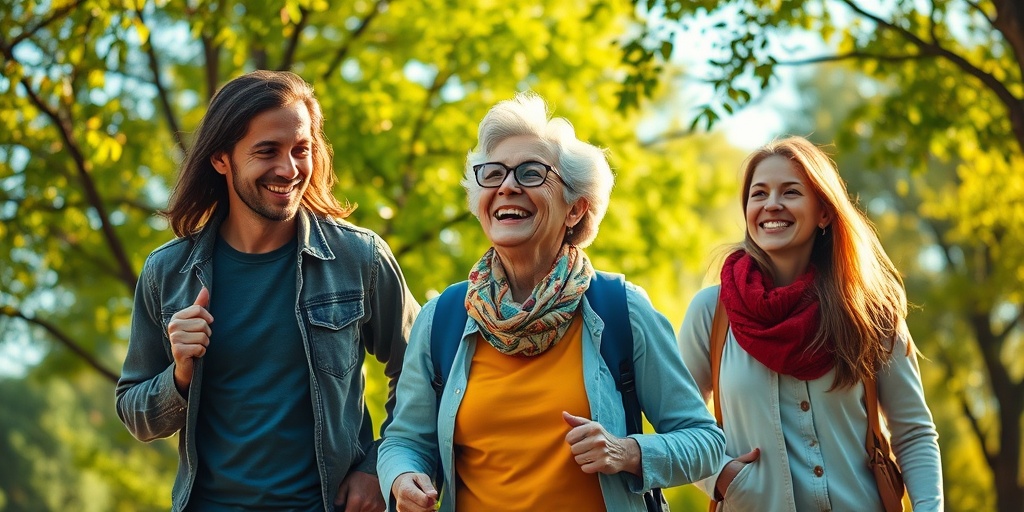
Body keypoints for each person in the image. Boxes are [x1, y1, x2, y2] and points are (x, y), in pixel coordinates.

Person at [376, 92, 725, 512]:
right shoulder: (443, 318)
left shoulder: (621, 310)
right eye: (494, 174)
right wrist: (402, 477)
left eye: (530, 173)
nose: (507, 186)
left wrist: (628, 452)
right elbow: (404, 440)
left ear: (575, 209)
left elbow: (704, 442)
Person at [115, 70, 419, 512]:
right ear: (221, 159)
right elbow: (135, 414)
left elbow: (422, 370)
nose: (289, 169)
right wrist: (180, 374)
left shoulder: (360, 258)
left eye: (301, 150)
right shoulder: (168, 272)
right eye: (267, 151)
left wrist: (378, 466)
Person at [678, 136, 943, 511]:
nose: (772, 204)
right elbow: (676, 420)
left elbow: (913, 433)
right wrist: (720, 477)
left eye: (790, 192)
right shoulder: (711, 312)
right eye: (759, 194)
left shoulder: (870, 312)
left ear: (824, 212)